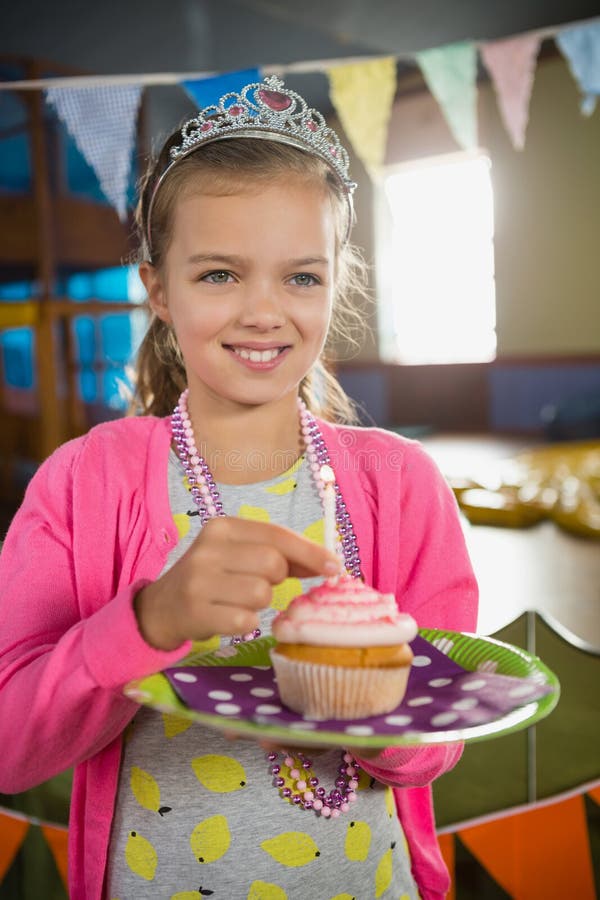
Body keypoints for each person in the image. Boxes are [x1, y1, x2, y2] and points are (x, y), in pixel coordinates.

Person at [0, 75, 478, 900]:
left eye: (301, 277)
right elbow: (11, 748)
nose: (264, 311)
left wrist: (371, 708)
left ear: (337, 281)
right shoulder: (83, 481)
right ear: (158, 289)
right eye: (220, 274)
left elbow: (436, 744)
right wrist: (145, 622)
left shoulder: (403, 486)